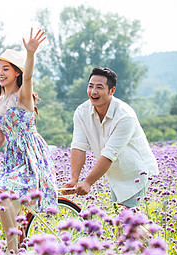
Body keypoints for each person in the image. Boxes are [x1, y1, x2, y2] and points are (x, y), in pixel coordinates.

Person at [0, 28, 58, 254]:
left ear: (16, 73)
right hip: (12, 161)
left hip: (31, 157)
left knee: (2, 194)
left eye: (6, 69)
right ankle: (19, 231)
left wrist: (30, 53)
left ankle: (11, 252)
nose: (1, 73)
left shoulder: (23, 96)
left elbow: (29, 76)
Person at [62, 67, 159, 210]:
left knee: (127, 224)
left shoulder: (125, 116)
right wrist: (74, 179)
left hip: (136, 174)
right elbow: (78, 146)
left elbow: (109, 154)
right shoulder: (82, 112)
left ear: (112, 91)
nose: (93, 91)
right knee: (127, 227)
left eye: (99, 87)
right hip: (115, 176)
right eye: (90, 86)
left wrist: (88, 182)